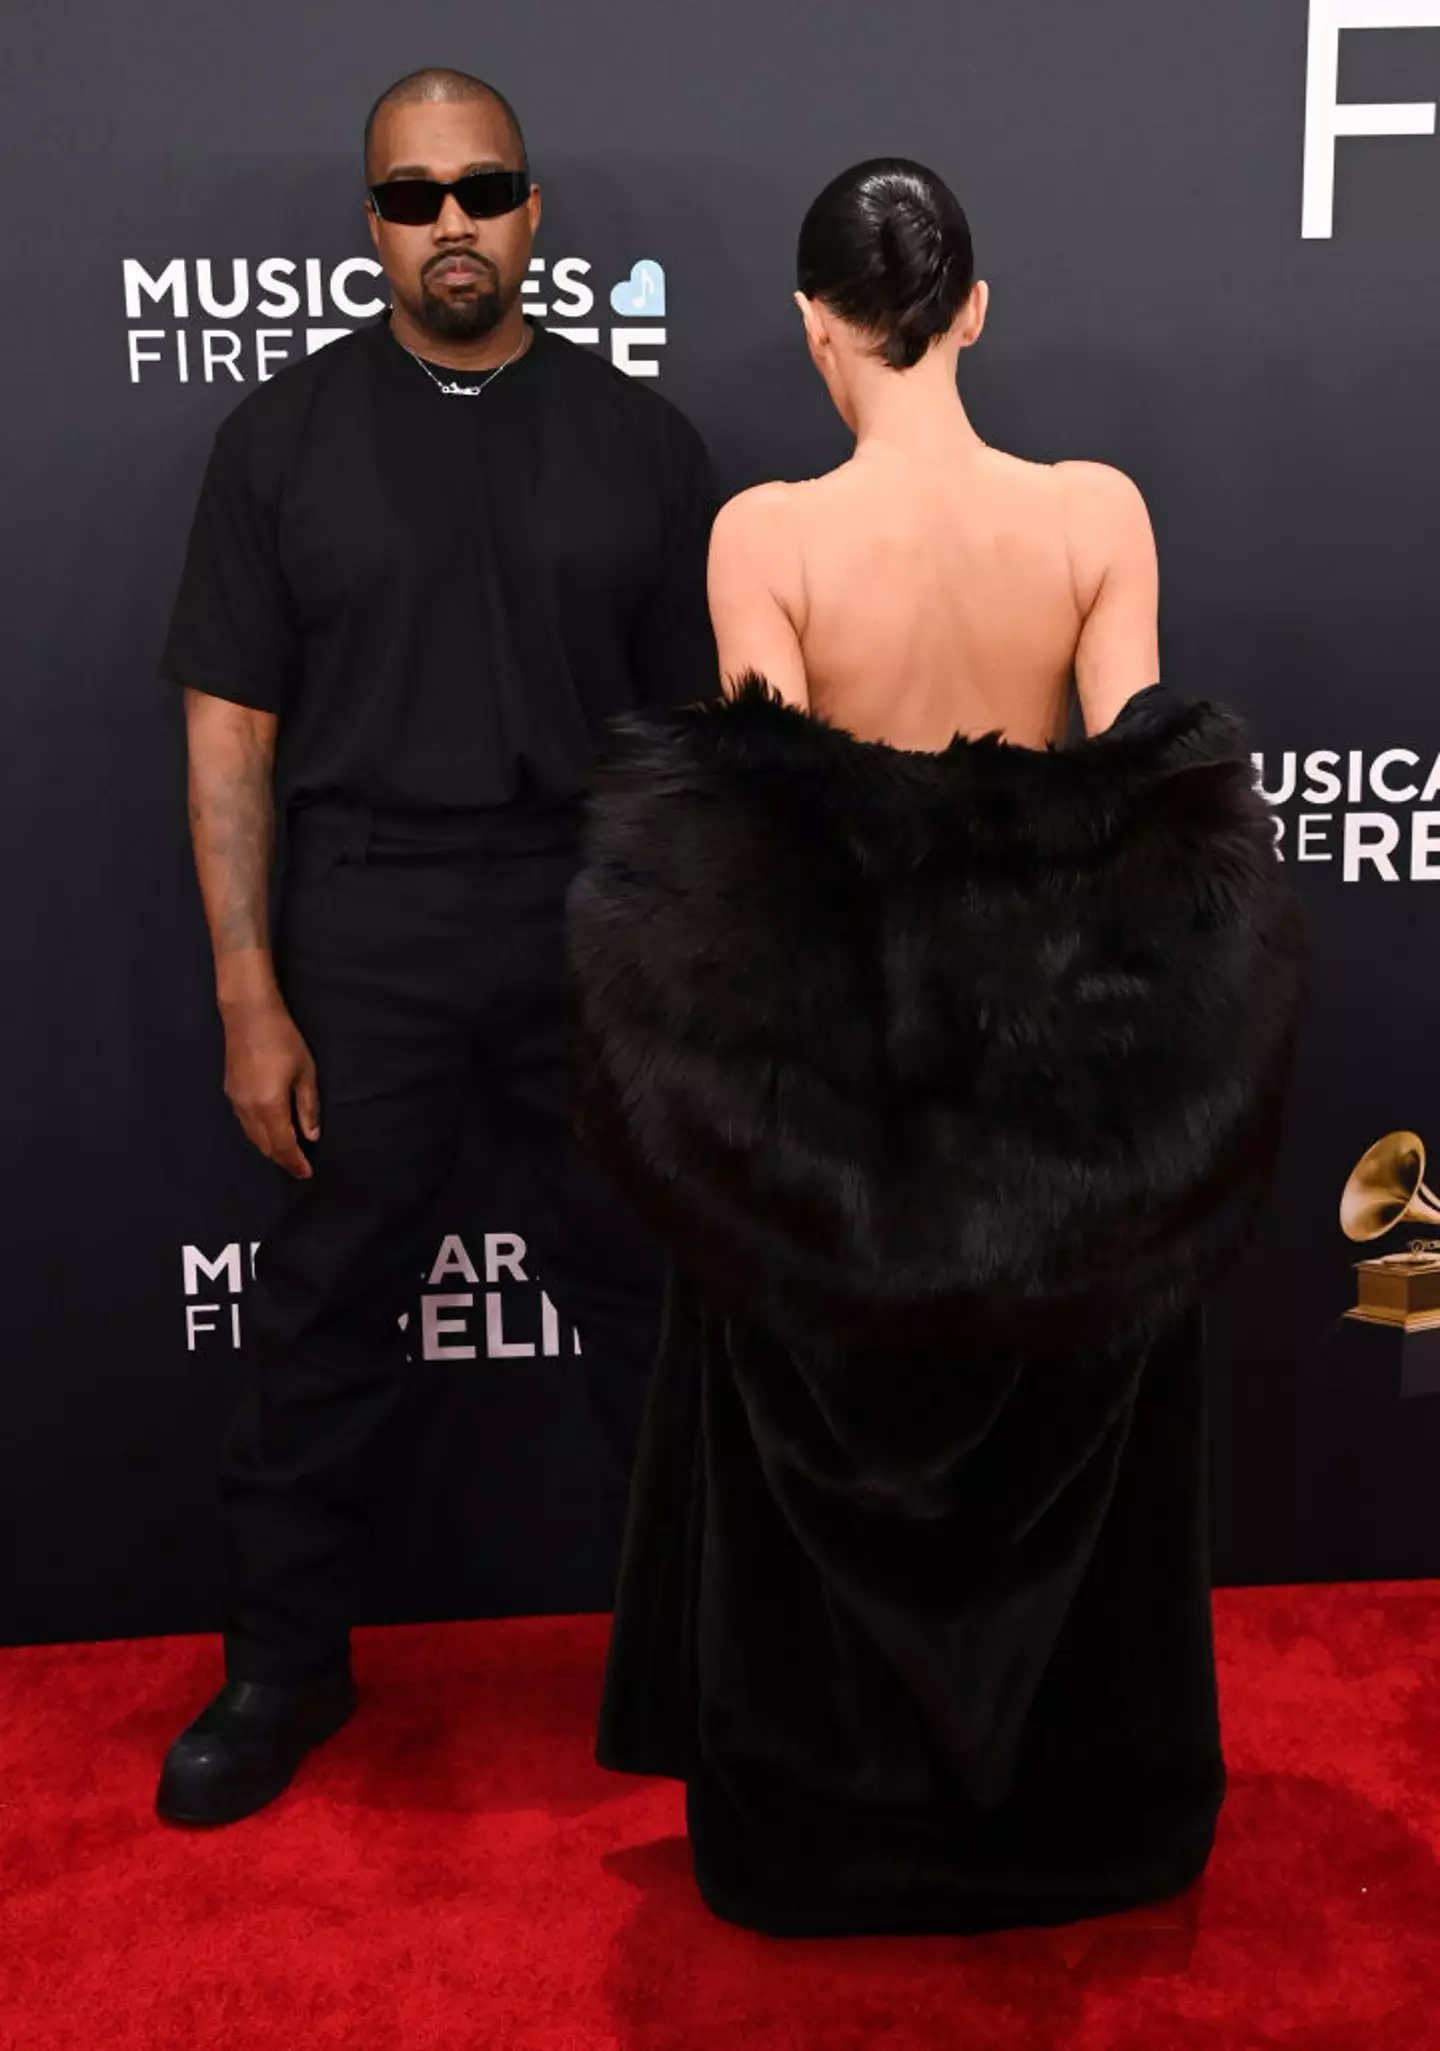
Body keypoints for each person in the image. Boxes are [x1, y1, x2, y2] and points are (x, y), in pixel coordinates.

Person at [567, 160, 1306, 1936]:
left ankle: (824, 1827)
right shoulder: (1095, 513)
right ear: (973, 307)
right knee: (1067, 1446)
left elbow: (775, 832)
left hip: (843, 1084)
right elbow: (1146, 792)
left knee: (822, 1443)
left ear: (814, 323)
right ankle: (1072, 1821)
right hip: (1057, 1076)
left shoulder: (764, 537)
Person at [156, 68, 718, 1827]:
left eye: (483, 189)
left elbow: (694, 749)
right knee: (325, 1304)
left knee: (647, 1299)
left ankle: (694, 1660)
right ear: (373, 225)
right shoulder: (279, 439)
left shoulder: (642, 442)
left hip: (588, 918)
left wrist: (683, 978)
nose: (451, 223)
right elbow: (230, 734)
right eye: (414, 197)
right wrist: (248, 992)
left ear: (533, 211)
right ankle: (283, 1664)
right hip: (366, 918)